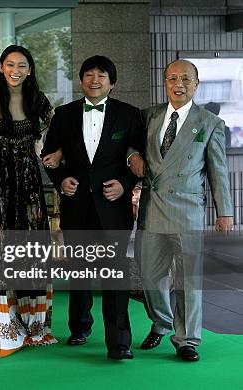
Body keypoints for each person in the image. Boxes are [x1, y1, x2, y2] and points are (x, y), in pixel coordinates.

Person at [129, 59, 233, 362]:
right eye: (173, 78)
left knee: (188, 280)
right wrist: (132, 155)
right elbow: (130, 146)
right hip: (152, 208)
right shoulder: (148, 116)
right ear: (165, 82)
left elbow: (218, 171)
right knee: (149, 277)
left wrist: (224, 211)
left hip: (188, 211)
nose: (179, 84)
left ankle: (187, 339)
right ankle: (162, 321)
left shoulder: (210, 123)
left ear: (196, 84)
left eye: (186, 79)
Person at [41, 55, 144, 360]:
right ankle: (80, 326)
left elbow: (136, 154)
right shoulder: (64, 114)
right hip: (77, 205)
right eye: (89, 74)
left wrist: (125, 184)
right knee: (80, 273)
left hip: (114, 206)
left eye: (101, 75)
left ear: (112, 83)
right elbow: (50, 153)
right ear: (81, 80)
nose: (94, 80)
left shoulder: (129, 115)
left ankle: (119, 341)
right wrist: (61, 179)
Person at [0, 45, 57, 357]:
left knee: (31, 249)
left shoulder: (40, 100)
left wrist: (57, 152)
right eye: (10, 64)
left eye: (22, 65)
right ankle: (4, 332)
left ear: (30, 69)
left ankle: (34, 326)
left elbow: (56, 134)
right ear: (1, 67)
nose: (15, 70)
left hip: (28, 181)